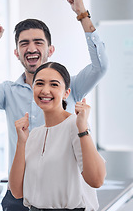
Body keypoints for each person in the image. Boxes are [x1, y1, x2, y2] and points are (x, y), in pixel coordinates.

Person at [0, 0, 108, 210]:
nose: (31, 48)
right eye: (24, 44)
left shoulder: (71, 87)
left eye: (38, 42)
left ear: (50, 49)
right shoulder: (8, 91)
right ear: (16, 52)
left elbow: (101, 66)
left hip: (59, 193)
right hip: (20, 189)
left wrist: (82, 14)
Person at [9, 62, 106, 211]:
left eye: (54, 85)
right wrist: (21, 142)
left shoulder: (75, 125)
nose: (45, 90)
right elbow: (16, 192)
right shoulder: (34, 134)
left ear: (66, 93)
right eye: (39, 83)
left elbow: (97, 180)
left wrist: (83, 128)